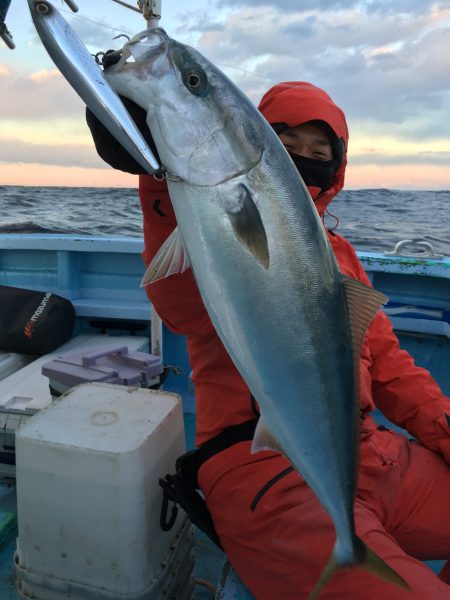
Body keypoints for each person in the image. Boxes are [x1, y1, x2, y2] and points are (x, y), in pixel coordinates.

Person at [86, 81, 450, 599]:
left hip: (368, 455)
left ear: (337, 170)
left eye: (319, 154)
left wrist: (445, 432)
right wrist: (161, 176)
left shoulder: (340, 256)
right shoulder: (217, 222)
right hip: (259, 466)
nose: (303, 161)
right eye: (285, 147)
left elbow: (390, 365)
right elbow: (180, 308)